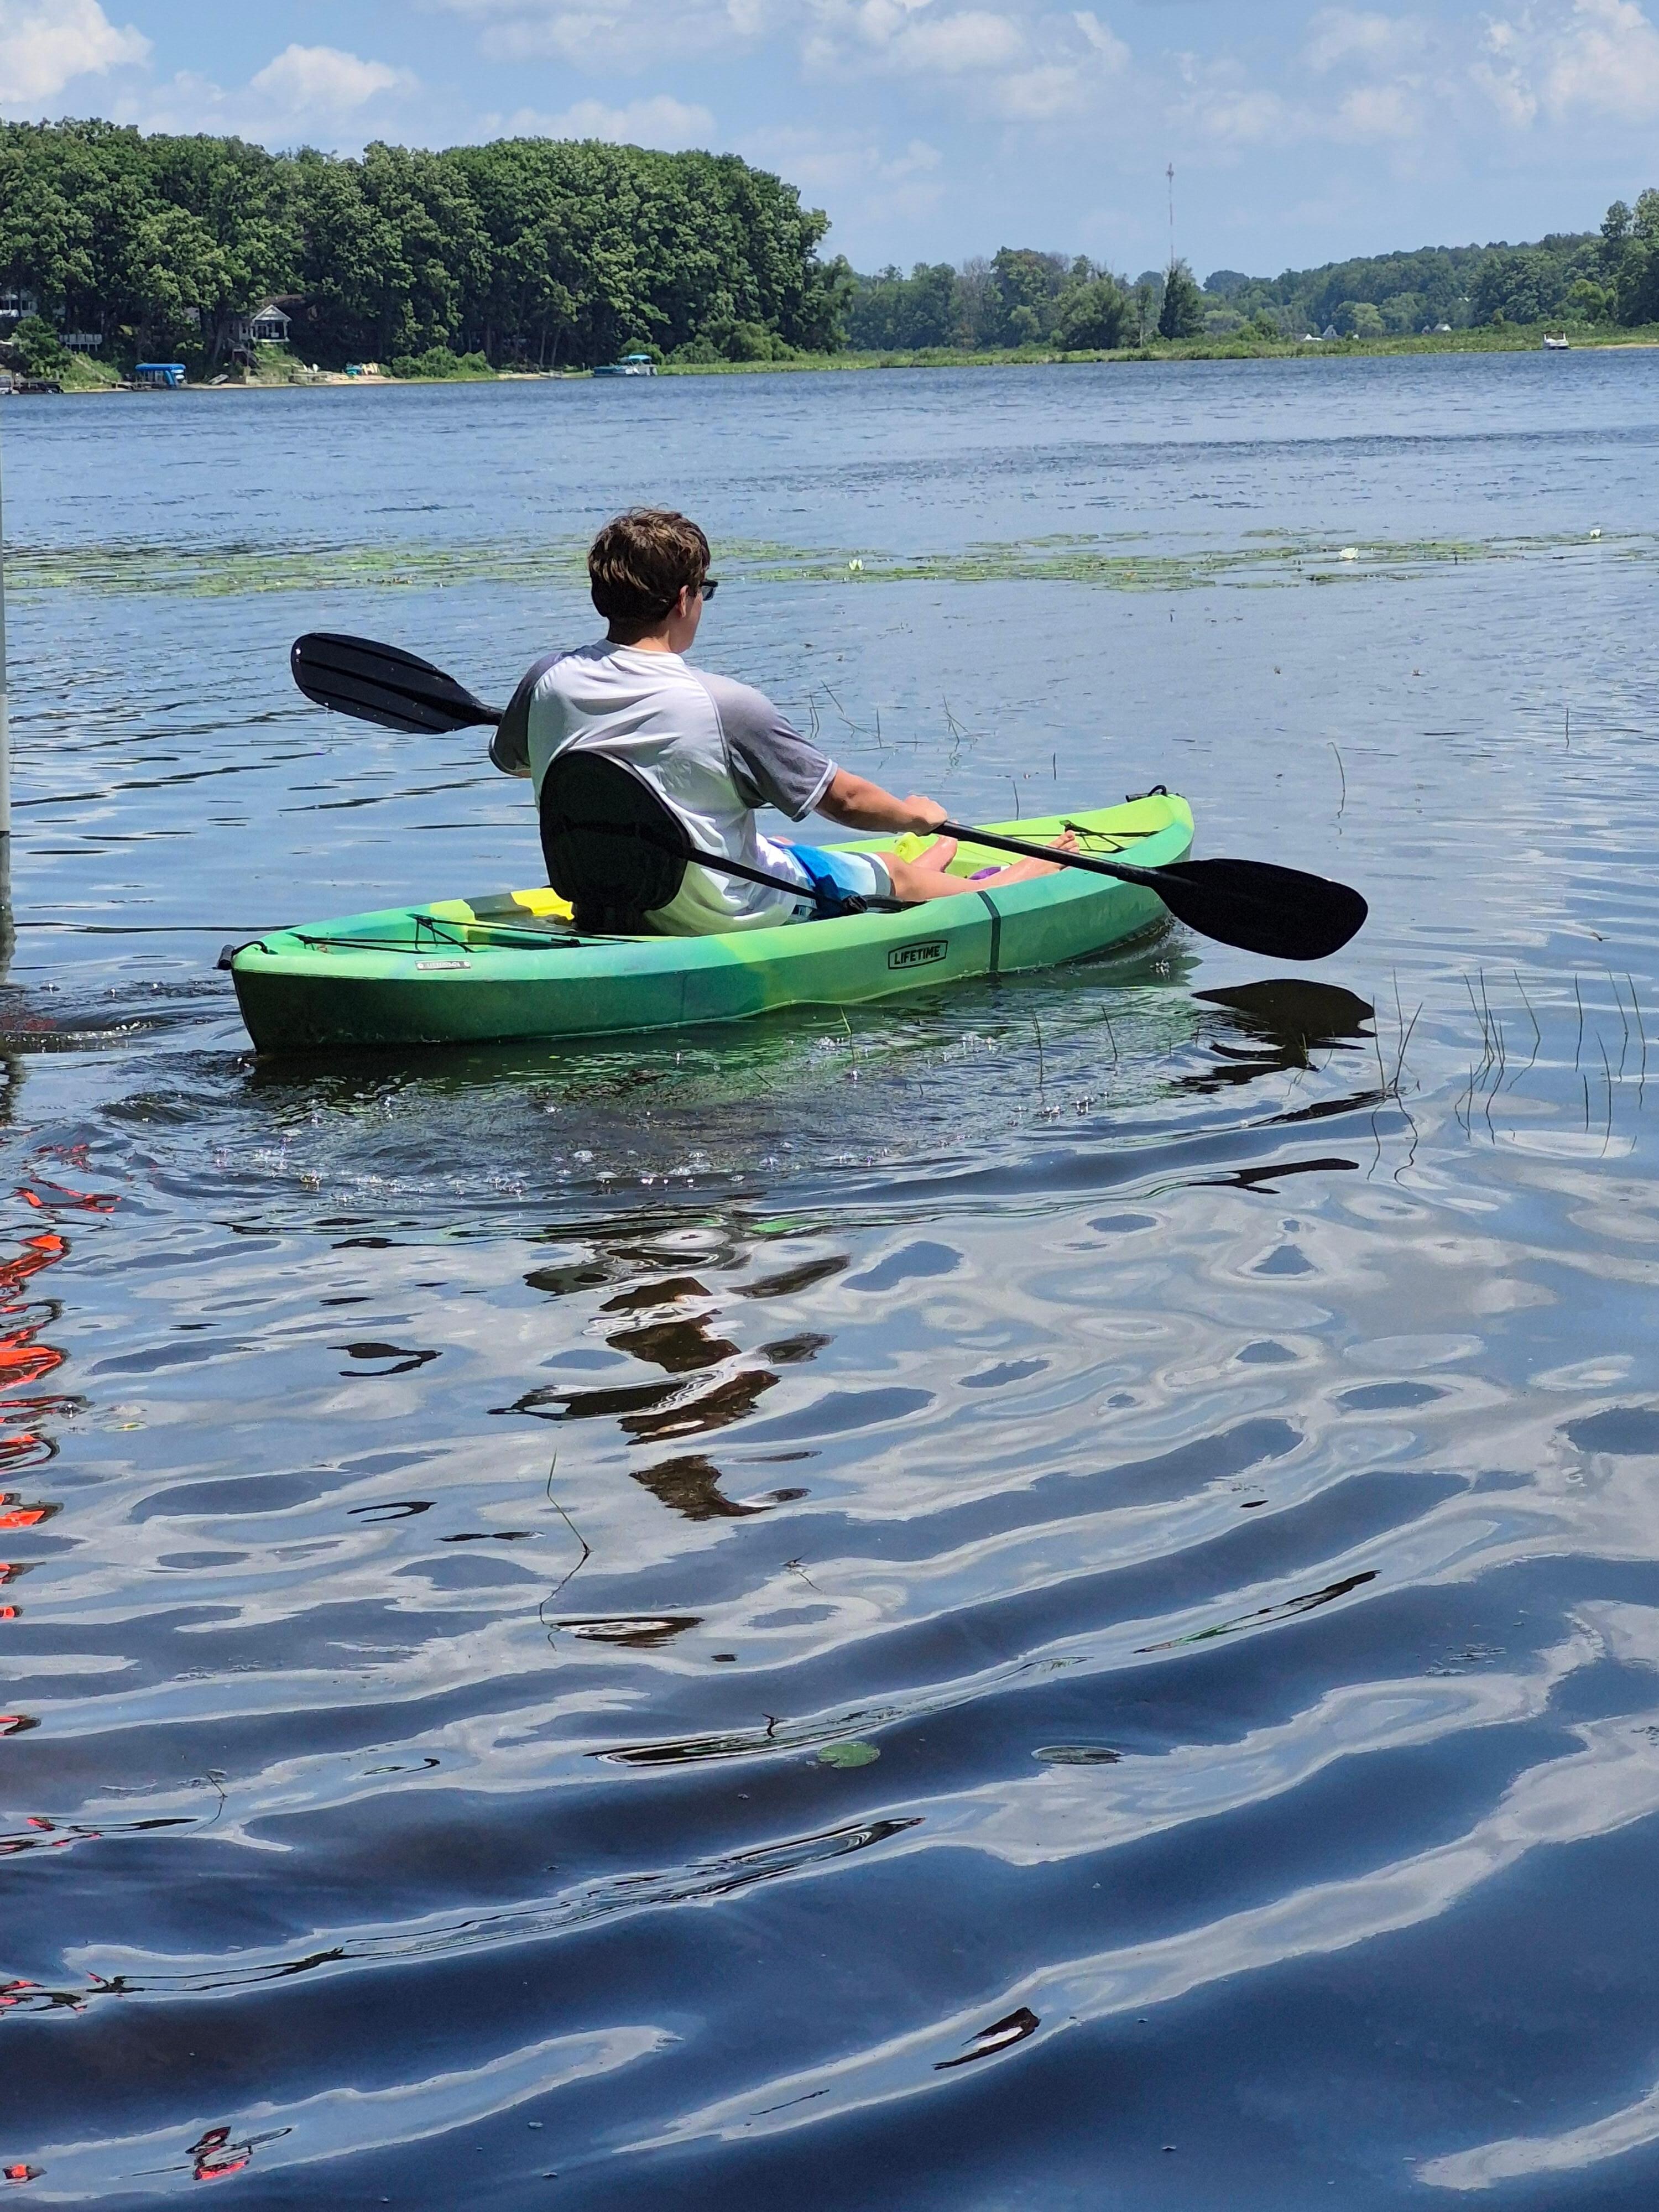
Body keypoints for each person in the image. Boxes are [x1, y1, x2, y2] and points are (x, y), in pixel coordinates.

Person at [489, 507, 1071, 935]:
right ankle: (1024, 876)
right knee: (895, 874)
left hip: (610, 897)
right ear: (684, 599)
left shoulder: (545, 678)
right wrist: (916, 814)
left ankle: (930, 855)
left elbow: (519, 762)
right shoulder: (724, 706)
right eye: (705, 593)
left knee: (785, 842)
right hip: (727, 913)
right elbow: (844, 800)